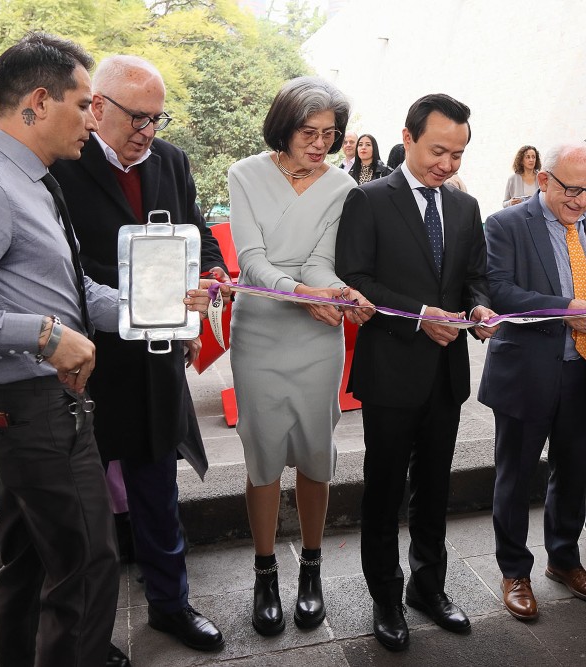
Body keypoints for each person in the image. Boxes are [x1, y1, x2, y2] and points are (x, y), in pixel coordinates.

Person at [0, 33, 209, 667]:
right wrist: (43, 336)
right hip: (30, 404)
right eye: (81, 103)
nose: (90, 118)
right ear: (38, 103)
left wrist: (155, 307)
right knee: (87, 564)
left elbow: (74, 288)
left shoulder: (35, 181)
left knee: (30, 560)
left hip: (41, 404)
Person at [50, 54, 227, 653]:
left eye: (157, 118)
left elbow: (197, 230)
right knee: (86, 509)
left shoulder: (171, 161)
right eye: (138, 117)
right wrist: (149, 288)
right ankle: (89, 630)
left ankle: (170, 605)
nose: (149, 130)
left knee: (159, 491)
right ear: (96, 108)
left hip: (157, 362)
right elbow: (68, 268)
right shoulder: (63, 167)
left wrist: (212, 269)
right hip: (92, 362)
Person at [336, 93, 498, 652]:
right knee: (383, 490)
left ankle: (429, 587)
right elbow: (356, 278)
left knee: (434, 490)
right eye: (437, 151)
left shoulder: (465, 206)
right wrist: (419, 316)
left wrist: (478, 308)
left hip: (446, 373)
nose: (447, 165)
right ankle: (385, 594)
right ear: (406, 138)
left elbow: (475, 277)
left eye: (457, 154)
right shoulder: (369, 200)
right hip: (390, 372)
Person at [227, 76, 374, 637]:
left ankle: (311, 567)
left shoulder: (341, 185)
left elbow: (319, 260)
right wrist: (301, 294)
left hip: (317, 339)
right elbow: (252, 260)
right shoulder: (245, 174)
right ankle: (265, 571)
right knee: (262, 453)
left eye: (329, 134)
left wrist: (331, 292)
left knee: (317, 448)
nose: (318, 144)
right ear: (282, 128)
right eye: (307, 132)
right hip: (261, 329)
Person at [479, 142, 586, 621]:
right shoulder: (505, 224)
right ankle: (514, 570)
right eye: (571, 189)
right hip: (527, 372)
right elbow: (501, 290)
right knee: (514, 476)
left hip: (585, 370)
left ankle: (564, 560)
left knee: (572, 473)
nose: (581, 201)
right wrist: (564, 309)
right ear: (544, 179)